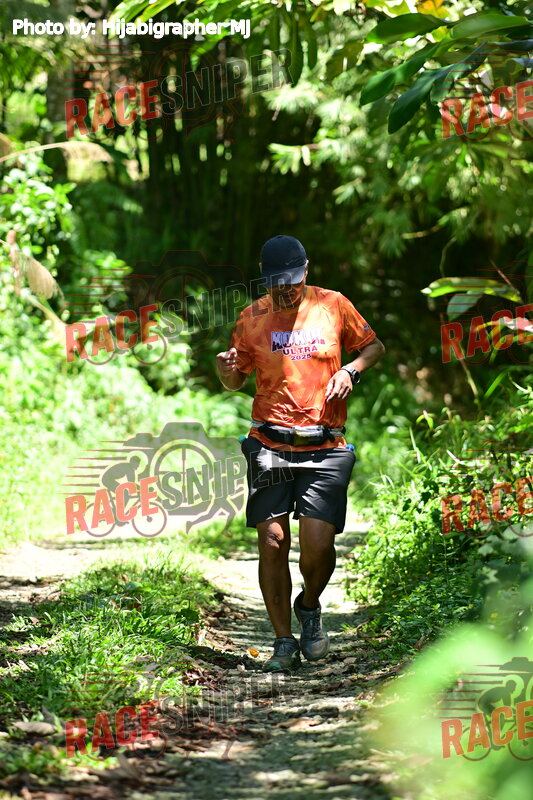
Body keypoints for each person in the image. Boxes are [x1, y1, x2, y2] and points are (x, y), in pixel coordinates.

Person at [216, 235, 385, 672]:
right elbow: (235, 381)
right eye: (276, 283)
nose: (285, 290)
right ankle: (282, 640)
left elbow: (373, 347)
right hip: (269, 443)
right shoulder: (252, 317)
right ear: (264, 276)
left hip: (325, 445)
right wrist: (226, 370)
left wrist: (351, 371)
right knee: (272, 541)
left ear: (306, 270)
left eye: (291, 281)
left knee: (318, 547)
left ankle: (308, 606)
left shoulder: (333, 305)